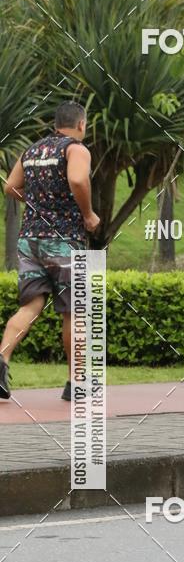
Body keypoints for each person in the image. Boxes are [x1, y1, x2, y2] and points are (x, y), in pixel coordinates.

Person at [0, 101, 100, 402]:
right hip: (65, 240)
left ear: (56, 123)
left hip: (30, 240)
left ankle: (1, 360)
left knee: (30, 305)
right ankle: (76, 383)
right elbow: (78, 179)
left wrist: (37, 203)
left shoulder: (32, 151)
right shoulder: (76, 149)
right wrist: (88, 215)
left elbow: (10, 188)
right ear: (81, 124)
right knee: (74, 311)